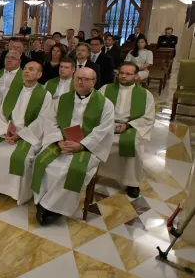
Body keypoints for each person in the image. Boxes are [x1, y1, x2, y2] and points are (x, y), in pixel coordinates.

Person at [32, 67, 115, 226]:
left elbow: (103, 130)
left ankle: (49, 208)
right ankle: (43, 201)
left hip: (86, 147)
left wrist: (81, 145)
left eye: (85, 79)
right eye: (77, 78)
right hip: (62, 142)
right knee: (42, 162)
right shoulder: (62, 99)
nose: (80, 82)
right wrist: (58, 140)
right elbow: (50, 122)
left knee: (70, 170)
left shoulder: (105, 104)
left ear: (94, 82)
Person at [0, 62, 52, 204]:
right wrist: (6, 129)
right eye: (26, 68)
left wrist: (20, 135)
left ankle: (15, 192)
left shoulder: (45, 95)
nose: (26, 71)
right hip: (7, 132)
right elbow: (1, 112)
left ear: (39, 75)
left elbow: (42, 120)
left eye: (31, 69)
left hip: (29, 136)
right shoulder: (13, 89)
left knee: (19, 159)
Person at [99, 63, 155, 198]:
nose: (123, 76)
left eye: (128, 74)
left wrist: (128, 125)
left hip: (130, 126)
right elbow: (95, 108)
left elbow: (148, 117)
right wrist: (107, 123)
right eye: (121, 73)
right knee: (95, 141)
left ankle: (132, 183)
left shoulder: (145, 95)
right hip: (107, 125)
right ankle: (97, 173)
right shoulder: (105, 89)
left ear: (136, 76)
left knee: (133, 146)